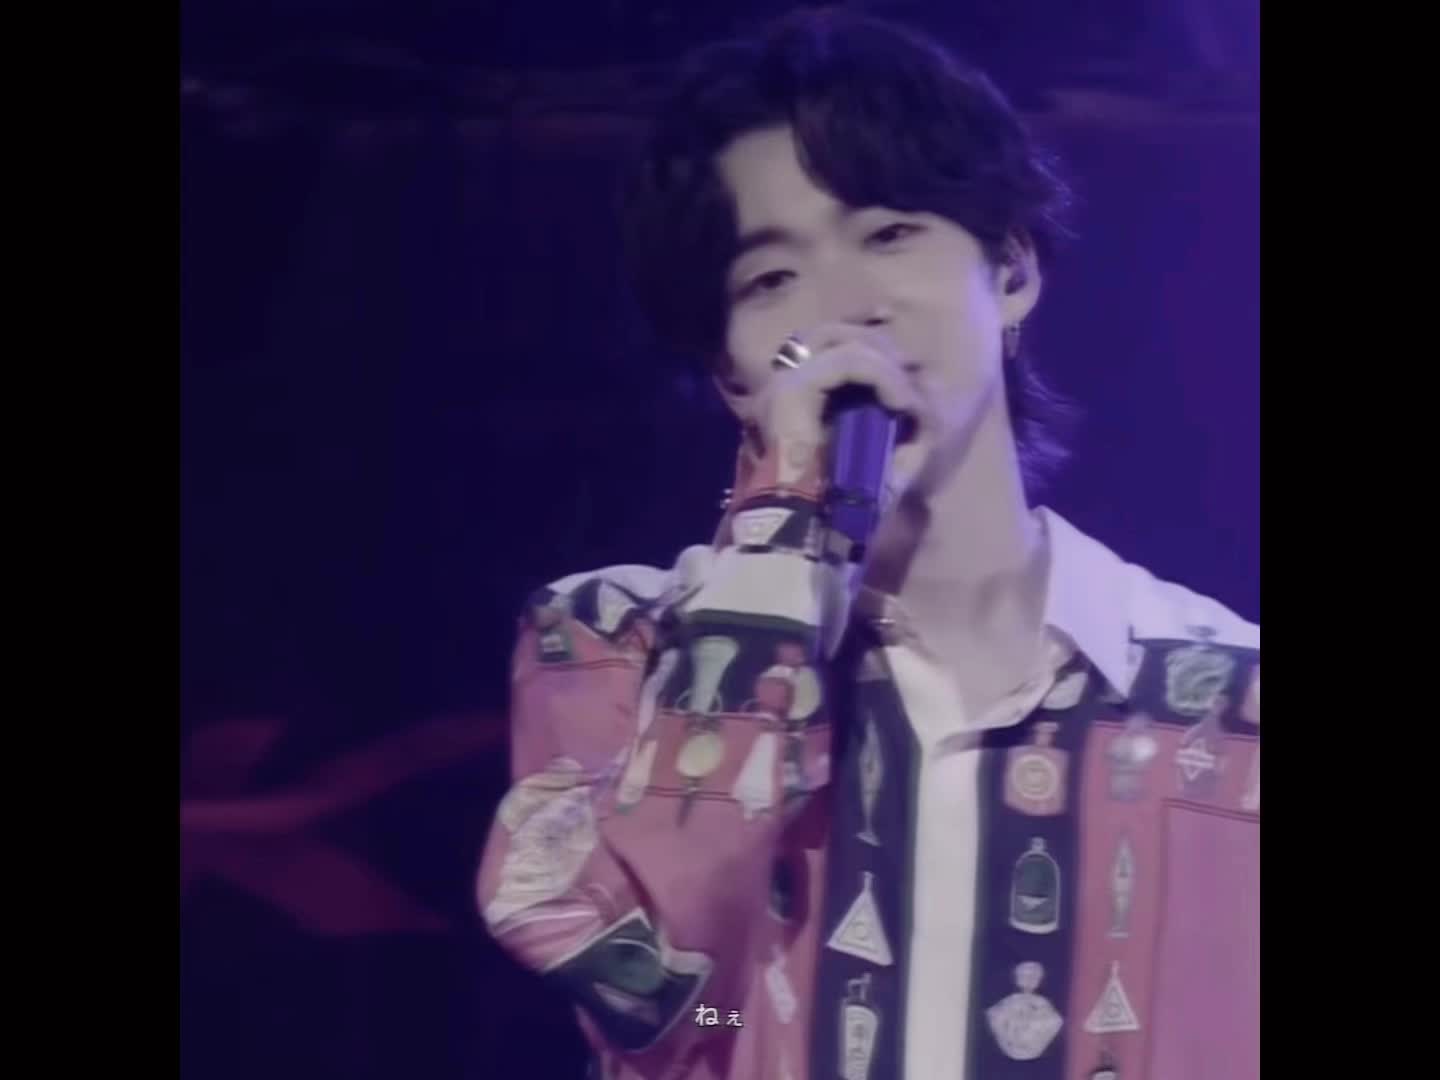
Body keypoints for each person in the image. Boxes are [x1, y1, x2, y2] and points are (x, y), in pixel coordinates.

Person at [476, 9, 1258, 1080]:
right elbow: (663, 1005)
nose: (845, 308)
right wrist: (785, 531)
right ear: (730, 372)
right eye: (771, 279)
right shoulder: (619, 645)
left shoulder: (1228, 701)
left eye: (888, 235)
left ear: (1011, 272)